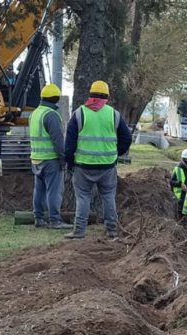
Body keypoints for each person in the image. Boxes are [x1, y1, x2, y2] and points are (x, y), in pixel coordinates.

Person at [63, 80, 132, 240]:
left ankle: (79, 232)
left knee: (83, 198)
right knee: (108, 197)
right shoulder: (113, 114)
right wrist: (116, 153)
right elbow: (127, 138)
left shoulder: (79, 113)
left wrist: (70, 162)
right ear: (107, 96)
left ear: (90, 95)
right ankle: (112, 231)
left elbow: (69, 143)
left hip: (83, 165)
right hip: (107, 166)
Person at [29, 83, 72, 229]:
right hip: (50, 159)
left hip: (36, 158)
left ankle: (38, 218)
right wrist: (63, 158)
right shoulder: (52, 115)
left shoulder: (35, 113)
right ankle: (55, 221)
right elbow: (58, 140)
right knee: (54, 191)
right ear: (56, 99)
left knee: (39, 190)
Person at [170, 148, 187, 219]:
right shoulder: (178, 168)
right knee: (180, 216)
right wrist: (180, 184)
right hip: (181, 198)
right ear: (183, 159)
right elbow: (171, 182)